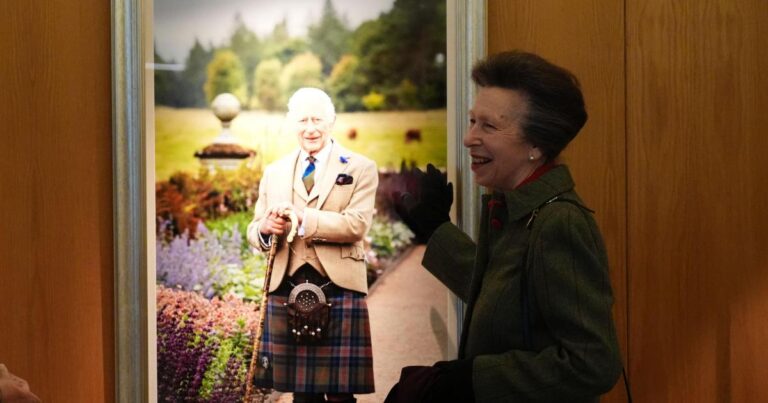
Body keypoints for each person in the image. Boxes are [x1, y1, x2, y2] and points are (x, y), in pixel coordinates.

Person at [388, 50, 623, 402]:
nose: (469, 139)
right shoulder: (516, 209)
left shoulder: (559, 222)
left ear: (536, 145)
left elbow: (593, 364)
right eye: (472, 121)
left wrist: (472, 379)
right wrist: (437, 229)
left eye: (490, 126)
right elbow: (503, 297)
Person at [247, 87, 378, 403]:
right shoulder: (274, 171)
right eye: (302, 120)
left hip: (339, 284)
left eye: (317, 119)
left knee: (340, 395)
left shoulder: (360, 167)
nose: (310, 128)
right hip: (285, 286)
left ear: (331, 122)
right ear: (292, 124)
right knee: (301, 394)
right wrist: (265, 228)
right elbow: (254, 230)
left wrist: (304, 219)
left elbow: (357, 224)